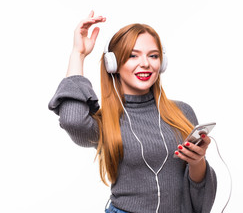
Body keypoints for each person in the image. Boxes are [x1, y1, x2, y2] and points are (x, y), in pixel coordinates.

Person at [48, 11, 217, 213]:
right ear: (113, 63)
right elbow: (73, 121)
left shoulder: (182, 112)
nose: (145, 63)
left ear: (161, 63)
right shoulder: (105, 122)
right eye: (132, 55)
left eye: (153, 56)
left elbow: (198, 194)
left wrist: (197, 161)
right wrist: (78, 54)